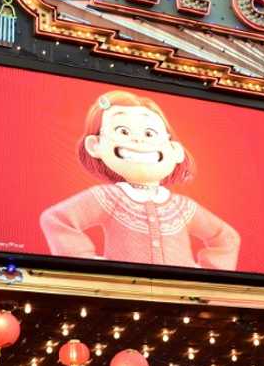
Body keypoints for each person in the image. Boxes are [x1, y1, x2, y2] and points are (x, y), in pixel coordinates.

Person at [40, 89, 240, 269]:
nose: (138, 140)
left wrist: (206, 276)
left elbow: (226, 237)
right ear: (95, 145)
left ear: (175, 150)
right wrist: (89, 266)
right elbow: (57, 219)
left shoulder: (182, 207)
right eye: (123, 131)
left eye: (149, 133)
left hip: (181, 297)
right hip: (127, 296)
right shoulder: (110, 197)